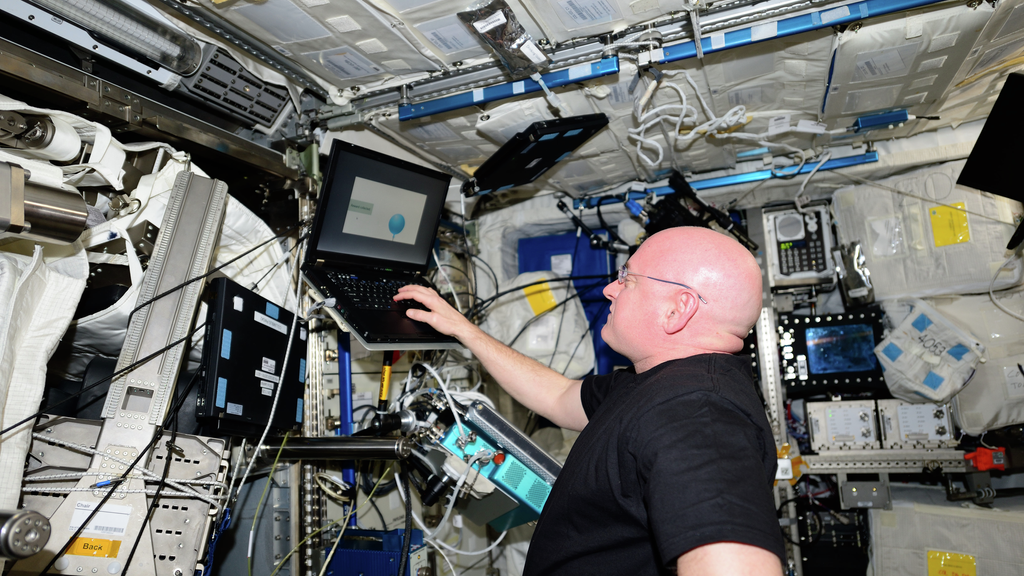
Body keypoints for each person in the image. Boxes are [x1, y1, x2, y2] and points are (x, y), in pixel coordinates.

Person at [395, 226, 785, 576]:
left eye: (627, 278)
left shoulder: (695, 413)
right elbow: (559, 395)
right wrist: (464, 330)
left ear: (677, 308)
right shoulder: (660, 383)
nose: (609, 289)